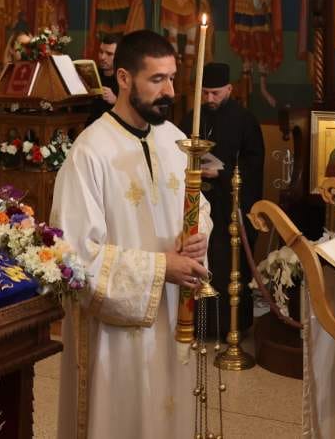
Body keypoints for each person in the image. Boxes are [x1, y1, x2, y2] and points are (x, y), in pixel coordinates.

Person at [51, 30, 211, 438]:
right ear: (123, 78)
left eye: (172, 78)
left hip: (172, 318)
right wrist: (161, 269)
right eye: (156, 79)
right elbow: (74, 255)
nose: (169, 91)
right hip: (115, 338)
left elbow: (200, 209)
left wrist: (198, 236)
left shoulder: (176, 140)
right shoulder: (90, 152)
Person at [184, 63, 264, 338]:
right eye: (205, 93)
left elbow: (254, 166)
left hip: (229, 206)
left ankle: (230, 329)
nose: (209, 99)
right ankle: (198, 326)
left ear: (229, 89)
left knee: (226, 266)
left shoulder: (245, 120)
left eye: (215, 93)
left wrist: (222, 172)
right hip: (198, 203)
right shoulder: (193, 118)